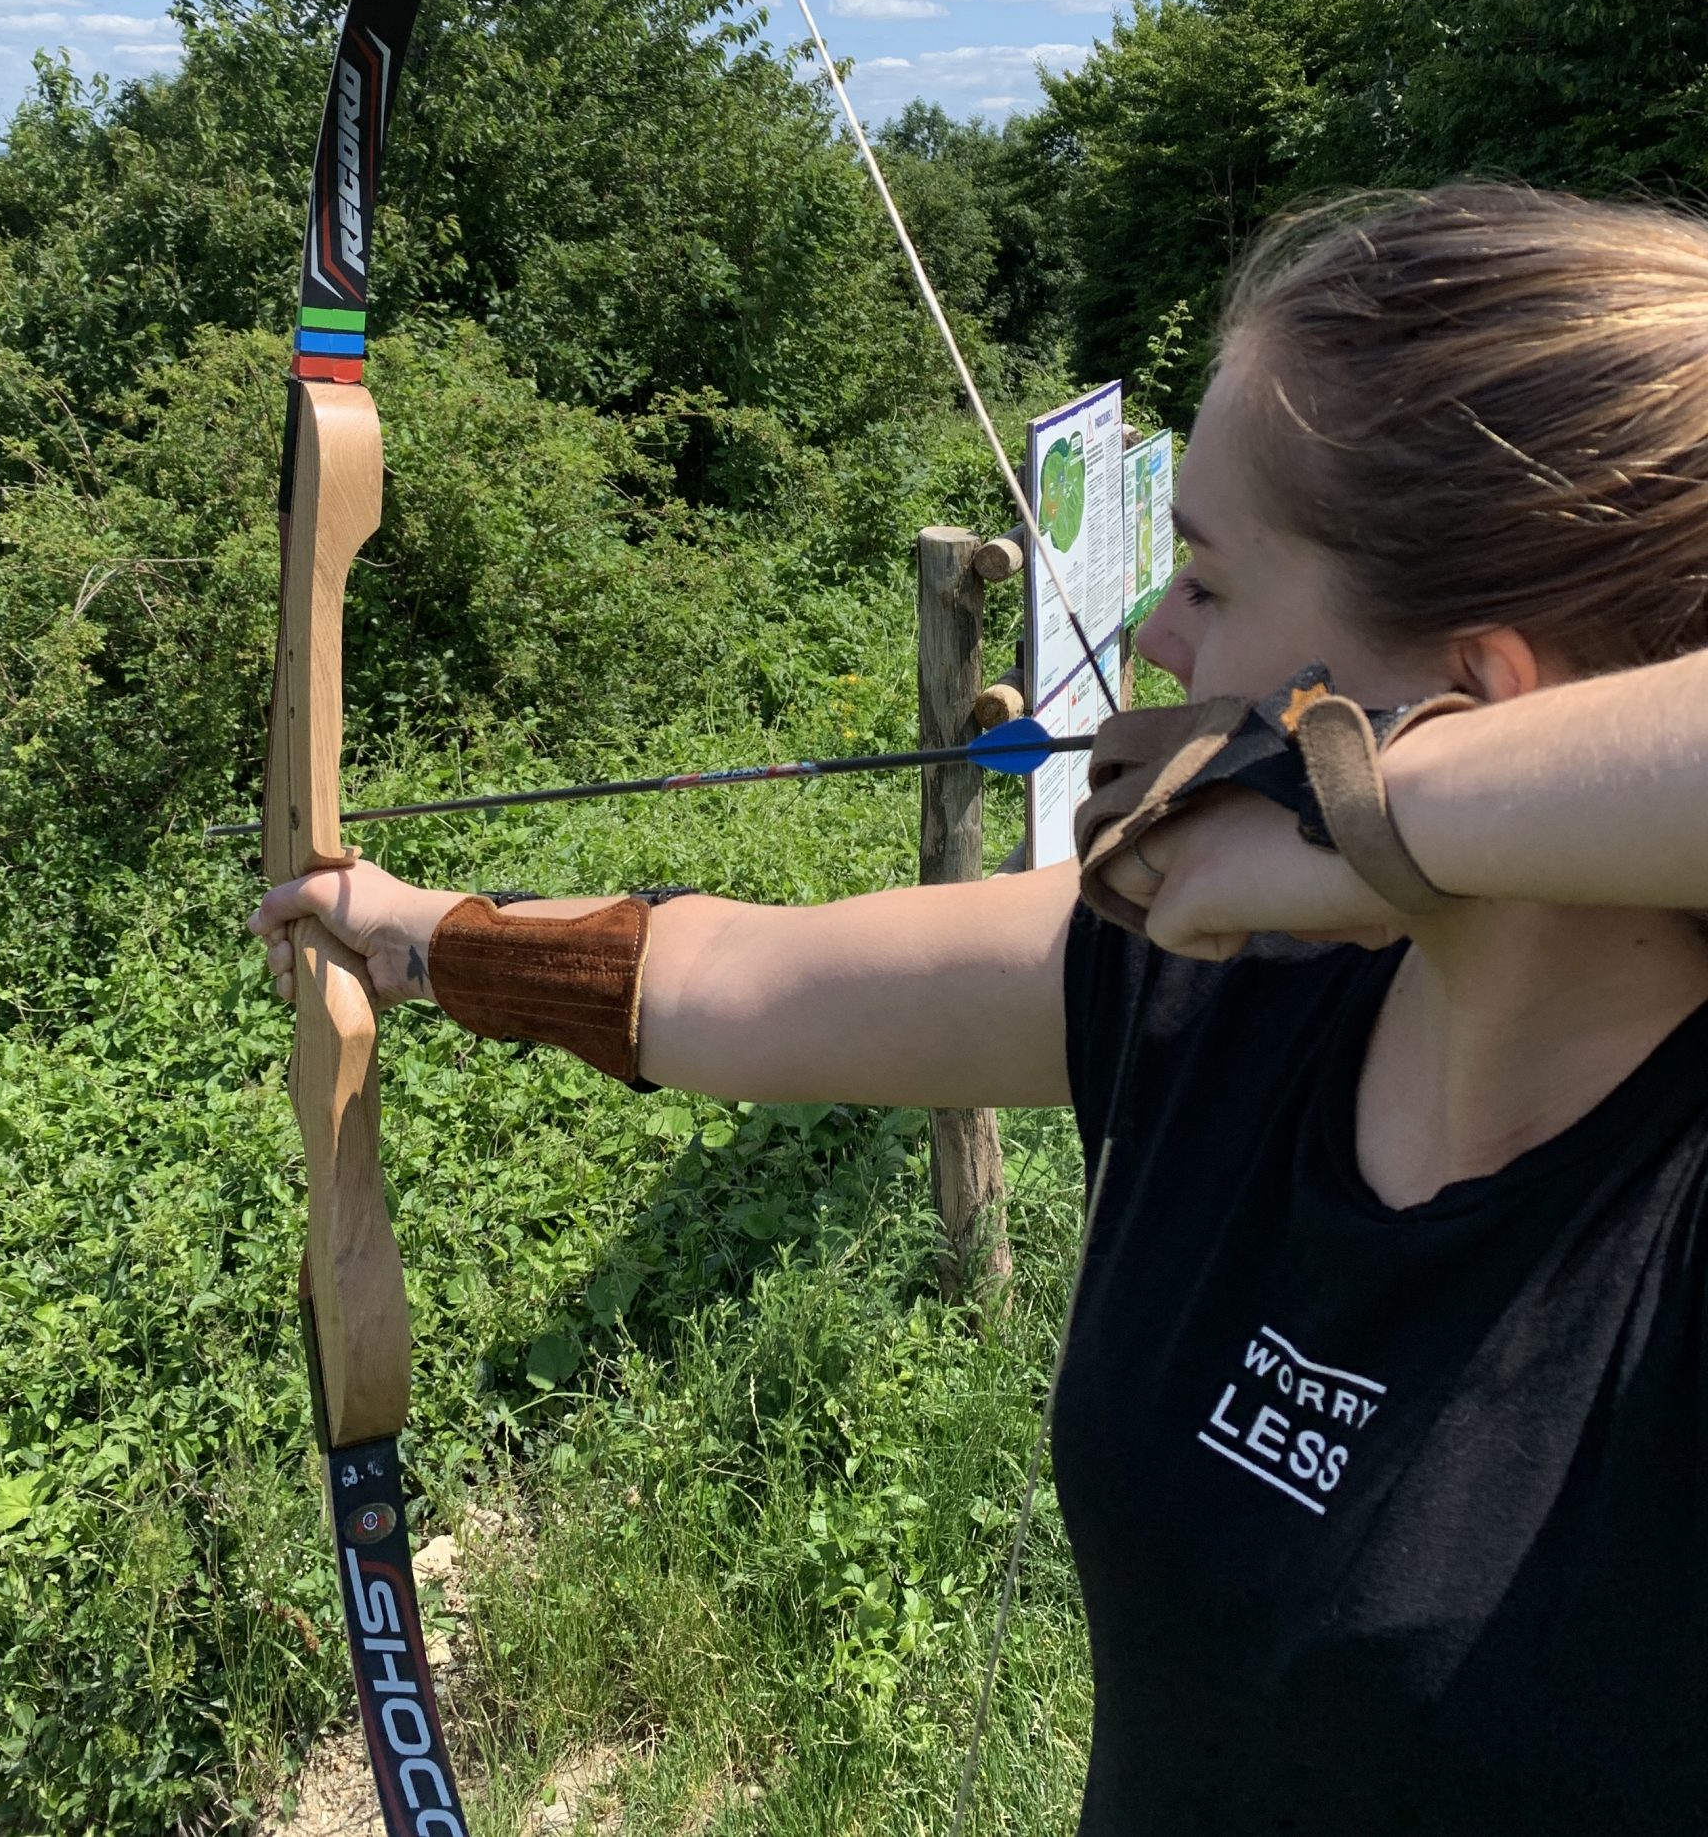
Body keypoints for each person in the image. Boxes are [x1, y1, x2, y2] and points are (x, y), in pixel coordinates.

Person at [249, 184, 1708, 1836]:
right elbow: (729, 988)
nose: (1156, 638)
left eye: (1214, 589)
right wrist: (415, 937)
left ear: (1472, 701)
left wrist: (1389, 810)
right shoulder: (1214, 985)